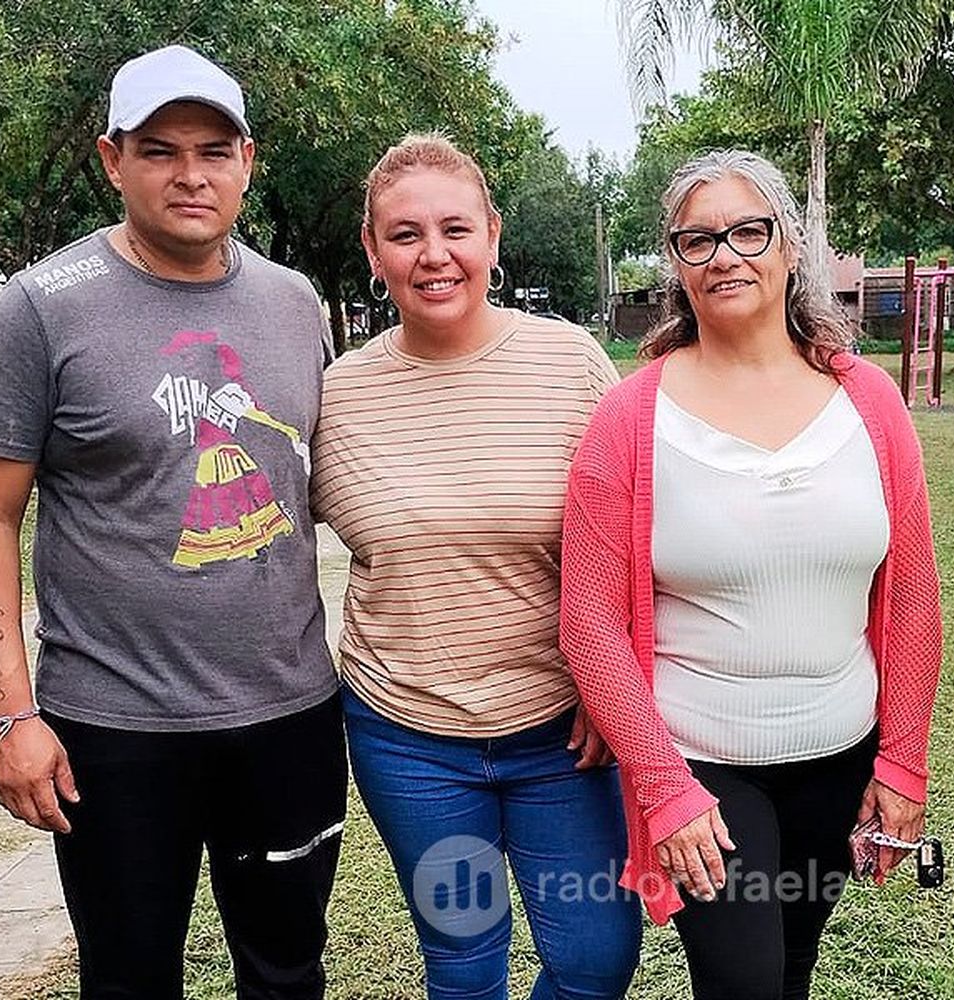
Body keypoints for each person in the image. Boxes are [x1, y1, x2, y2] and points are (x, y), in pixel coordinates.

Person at [0, 45, 345, 998]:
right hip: (114, 730)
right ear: (111, 159)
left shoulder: (295, 304)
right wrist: (9, 717)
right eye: (160, 149)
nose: (190, 173)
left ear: (248, 160)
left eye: (214, 149)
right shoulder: (41, 308)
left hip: (288, 713)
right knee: (128, 977)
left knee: (287, 970)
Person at [558, 149, 944, 1000]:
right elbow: (586, 619)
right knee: (744, 982)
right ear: (676, 264)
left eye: (747, 231)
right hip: (702, 761)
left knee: (792, 967)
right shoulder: (630, 416)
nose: (724, 254)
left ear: (790, 246)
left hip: (839, 757)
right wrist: (664, 789)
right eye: (697, 240)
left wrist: (903, 763)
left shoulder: (869, 402)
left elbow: (912, 593)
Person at [308, 134, 641, 1000]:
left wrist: (620, 693)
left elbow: (632, 544)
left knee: (597, 959)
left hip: (561, 734)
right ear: (373, 252)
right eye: (405, 233)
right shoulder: (336, 394)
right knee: (462, 958)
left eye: (455, 228)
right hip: (407, 737)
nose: (434, 255)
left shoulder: (570, 365)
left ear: (492, 234)